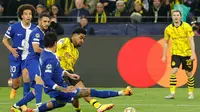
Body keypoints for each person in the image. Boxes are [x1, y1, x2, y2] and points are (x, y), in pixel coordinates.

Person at [32, 32, 133, 112]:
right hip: (58, 89)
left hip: (57, 86)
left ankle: (33, 111)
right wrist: (62, 89)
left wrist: (68, 74)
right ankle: (122, 93)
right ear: (55, 43)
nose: (82, 40)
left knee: (61, 103)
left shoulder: (45, 53)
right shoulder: (52, 57)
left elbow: (57, 70)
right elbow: (46, 78)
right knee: (89, 91)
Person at [10, 13, 51, 112]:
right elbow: (36, 49)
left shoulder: (43, 32)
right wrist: (50, 53)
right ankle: (39, 107)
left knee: (36, 89)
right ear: (39, 21)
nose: (47, 24)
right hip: (33, 60)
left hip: (39, 61)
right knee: (39, 81)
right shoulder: (36, 32)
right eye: (44, 21)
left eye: (48, 22)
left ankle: (16, 106)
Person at [2, 4, 36, 110]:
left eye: (30, 14)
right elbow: (4, 40)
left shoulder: (35, 28)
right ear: (21, 16)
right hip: (16, 57)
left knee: (26, 76)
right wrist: (11, 49)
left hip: (28, 57)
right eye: (26, 14)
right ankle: (14, 87)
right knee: (16, 82)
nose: (28, 16)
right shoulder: (14, 27)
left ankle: (24, 103)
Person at [162, 10, 196, 99]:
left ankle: (190, 93)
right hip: (176, 53)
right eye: (174, 15)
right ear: (172, 17)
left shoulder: (186, 26)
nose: (176, 17)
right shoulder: (168, 29)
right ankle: (172, 93)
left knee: (188, 73)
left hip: (187, 53)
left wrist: (193, 54)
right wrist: (164, 55)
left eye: (177, 15)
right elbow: (166, 42)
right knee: (174, 71)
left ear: (181, 17)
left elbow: (191, 40)